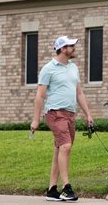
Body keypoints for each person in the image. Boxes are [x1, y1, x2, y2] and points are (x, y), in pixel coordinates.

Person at [31, 35, 93, 201]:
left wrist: (88, 114)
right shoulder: (48, 69)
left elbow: (79, 92)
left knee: (60, 149)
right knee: (65, 146)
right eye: (71, 46)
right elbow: (39, 95)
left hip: (70, 114)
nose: (74, 48)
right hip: (55, 113)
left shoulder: (73, 68)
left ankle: (52, 190)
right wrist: (35, 120)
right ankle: (67, 188)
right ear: (63, 49)